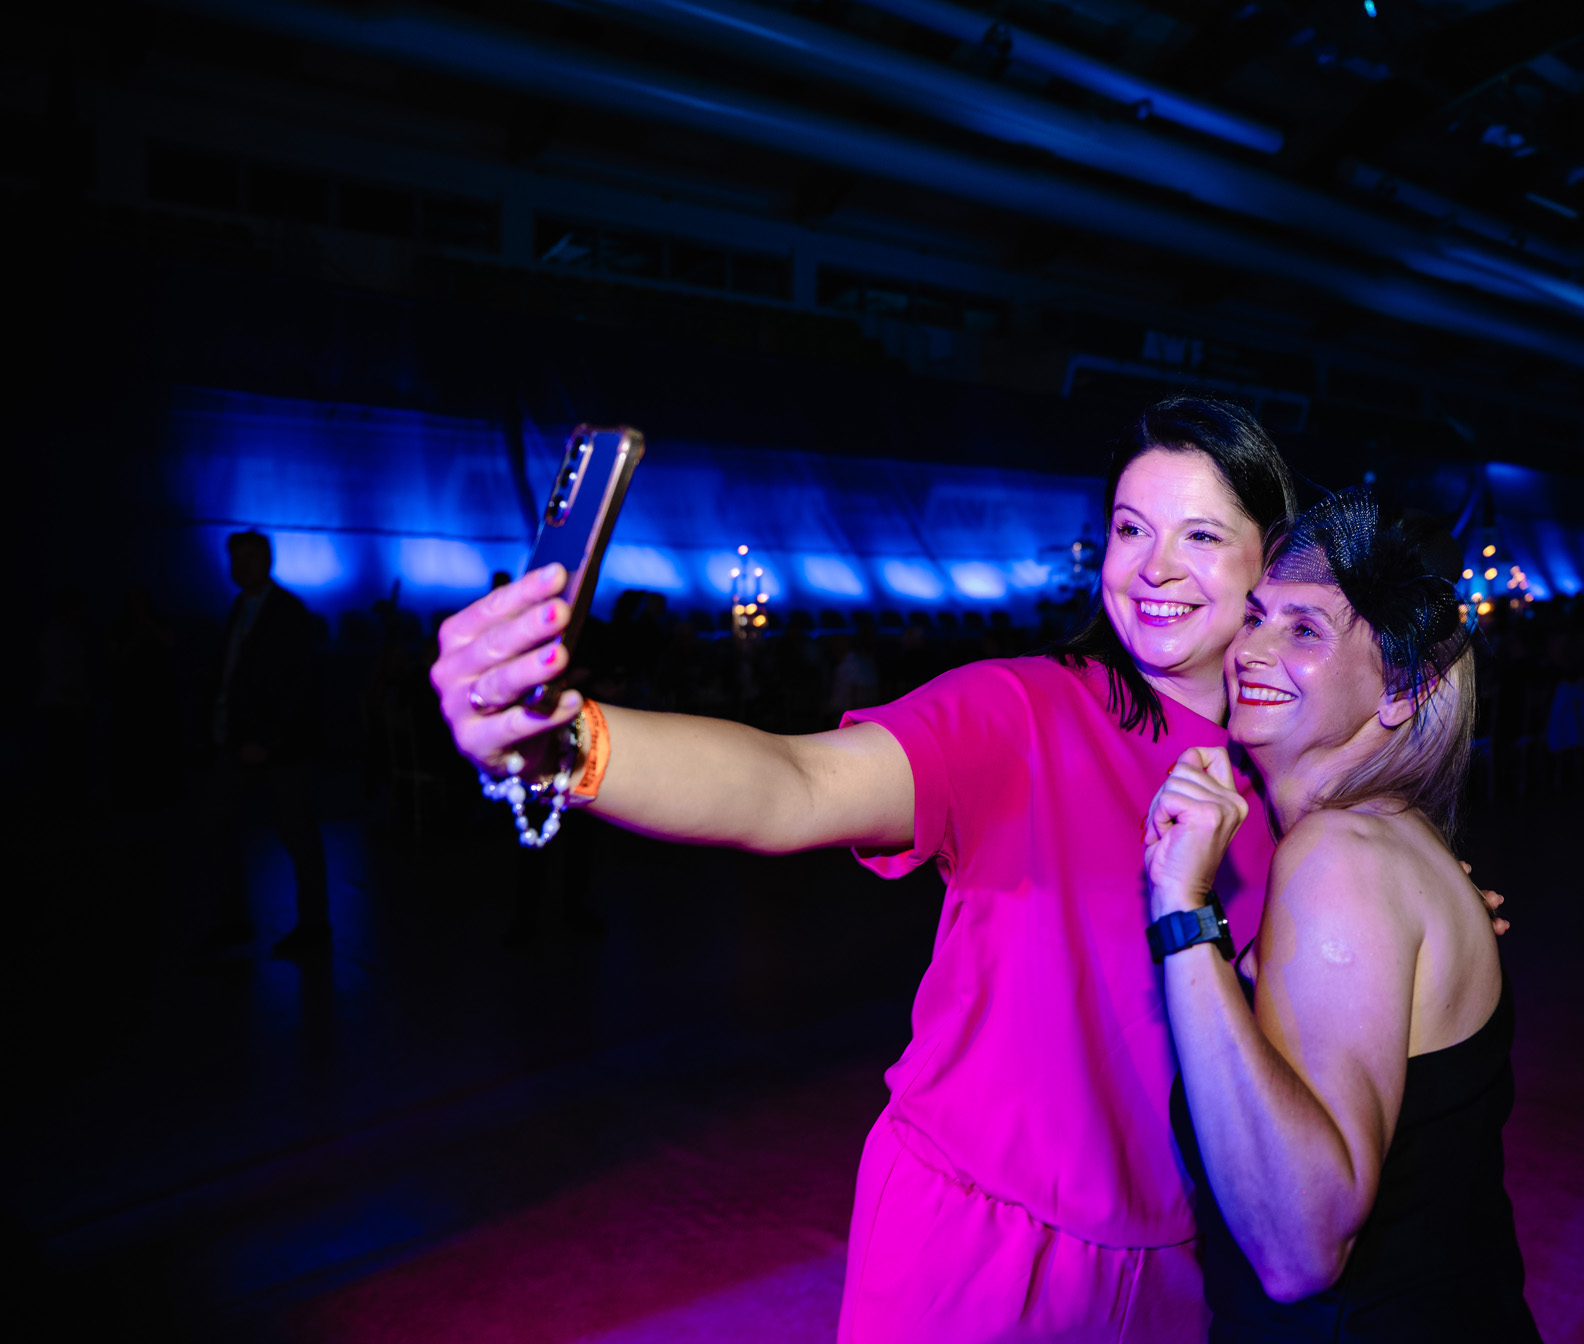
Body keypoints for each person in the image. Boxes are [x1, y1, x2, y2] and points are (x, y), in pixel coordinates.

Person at [432, 399, 1506, 1341]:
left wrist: (1420, 936)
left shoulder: (1283, 782)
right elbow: (791, 785)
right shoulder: (1022, 711)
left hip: (1187, 1275)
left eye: (1201, 535)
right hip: (980, 1254)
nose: (1154, 567)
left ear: (1270, 563)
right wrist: (572, 745)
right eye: (1130, 528)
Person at [1141, 489, 1539, 1341]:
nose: (1251, 648)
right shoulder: (1380, 842)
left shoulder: (1339, 857)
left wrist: (1182, 912)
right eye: (1257, 616)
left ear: (1402, 689)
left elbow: (1300, 1250)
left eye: (1306, 631)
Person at [199, 530, 331, 959]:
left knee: (296, 832)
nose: (242, 566)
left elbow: (299, 683)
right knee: (220, 825)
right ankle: (236, 920)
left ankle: (311, 925)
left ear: (267, 560)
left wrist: (267, 738)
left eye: (250, 557)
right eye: (238, 559)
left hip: (275, 744)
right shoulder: (244, 607)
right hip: (243, 741)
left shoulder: (285, 611)